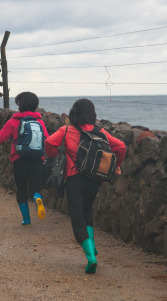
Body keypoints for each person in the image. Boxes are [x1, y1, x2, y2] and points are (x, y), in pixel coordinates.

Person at [45, 98, 126, 274]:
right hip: (95, 179)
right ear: (92, 114)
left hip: (74, 178)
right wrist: (116, 165)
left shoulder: (66, 130)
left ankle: (91, 257)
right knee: (88, 210)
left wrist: (54, 157)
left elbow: (50, 143)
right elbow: (121, 146)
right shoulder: (101, 132)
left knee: (77, 217)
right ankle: (92, 245)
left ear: (74, 112)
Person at [0, 92, 49, 226]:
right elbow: (47, 140)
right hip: (37, 159)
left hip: (19, 160)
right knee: (35, 188)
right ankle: (37, 197)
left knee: (21, 188)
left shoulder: (13, 122)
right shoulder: (39, 122)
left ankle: (26, 220)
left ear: (20, 105)